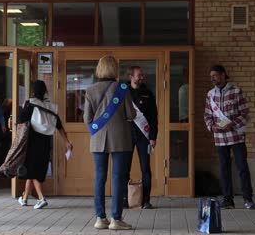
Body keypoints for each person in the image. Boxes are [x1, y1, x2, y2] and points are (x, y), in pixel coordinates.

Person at [83, 55, 136, 230]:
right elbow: (131, 115)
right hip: (120, 138)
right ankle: (116, 219)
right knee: (118, 178)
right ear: (114, 69)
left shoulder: (90, 90)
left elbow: (87, 118)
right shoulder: (122, 88)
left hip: (98, 139)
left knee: (99, 178)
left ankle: (100, 218)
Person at [204, 65, 255, 209]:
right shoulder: (210, 95)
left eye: (214, 75)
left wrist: (232, 124)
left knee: (242, 167)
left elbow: (245, 114)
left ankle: (248, 199)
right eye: (211, 76)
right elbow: (207, 114)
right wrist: (211, 126)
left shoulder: (236, 91)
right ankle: (228, 200)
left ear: (223, 75)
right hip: (219, 138)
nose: (212, 78)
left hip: (236, 136)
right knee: (224, 169)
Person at [17, 80, 73, 209]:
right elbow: (59, 126)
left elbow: (21, 119)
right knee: (34, 169)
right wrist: (66, 142)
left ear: (33, 91)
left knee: (32, 170)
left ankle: (41, 198)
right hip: (46, 142)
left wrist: (24, 106)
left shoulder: (31, 104)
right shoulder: (50, 107)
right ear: (45, 91)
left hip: (33, 142)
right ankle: (24, 198)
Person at [125, 66, 158, 209]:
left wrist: (153, 136)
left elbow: (153, 117)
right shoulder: (122, 92)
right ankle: (125, 199)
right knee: (124, 168)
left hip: (143, 137)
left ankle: (146, 200)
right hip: (125, 135)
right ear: (131, 76)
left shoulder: (148, 94)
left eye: (142, 75)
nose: (141, 78)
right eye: (139, 75)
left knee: (145, 167)